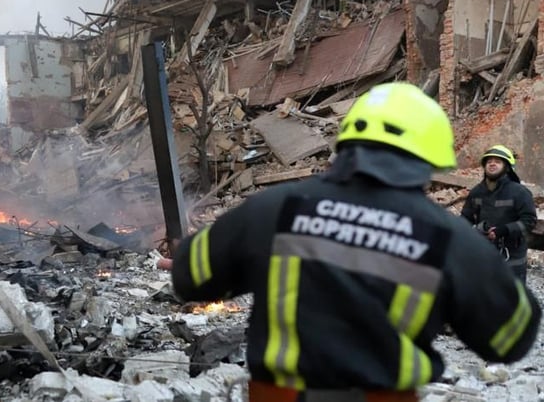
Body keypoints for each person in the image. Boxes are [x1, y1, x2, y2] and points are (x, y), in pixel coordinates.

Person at [170, 82, 541, 402]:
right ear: (428, 161)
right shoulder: (449, 240)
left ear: (347, 142)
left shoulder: (272, 210)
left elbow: (190, 276)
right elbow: (512, 338)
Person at [461, 145, 537, 283]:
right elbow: (466, 218)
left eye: (497, 161)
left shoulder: (519, 192)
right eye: (489, 161)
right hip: (483, 253)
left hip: (512, 256)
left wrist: (505, 230)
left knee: (512, 297)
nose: (492, 164)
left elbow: (529, 221)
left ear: (507, 167)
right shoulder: (477, 192)